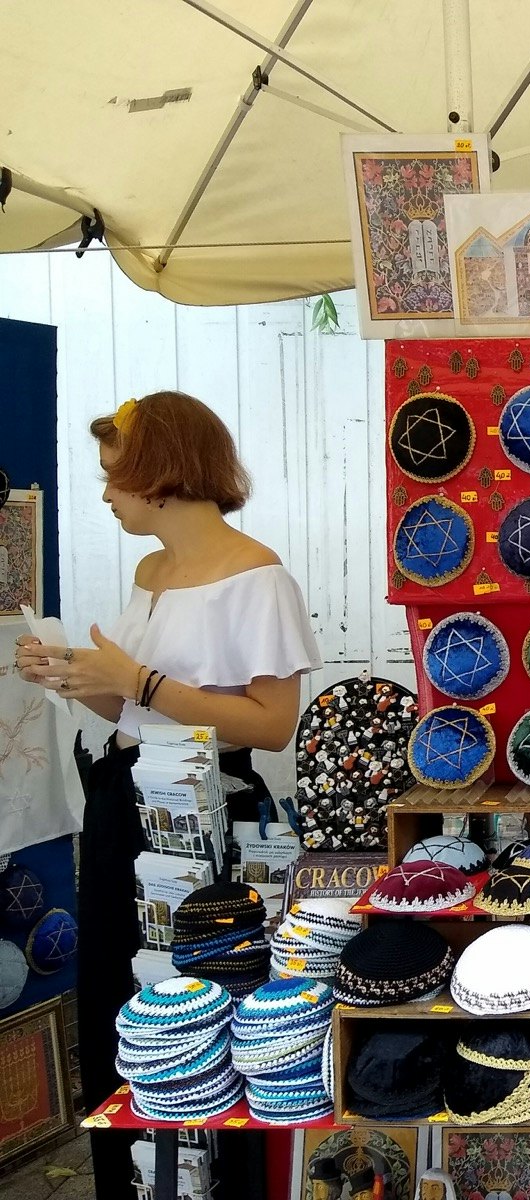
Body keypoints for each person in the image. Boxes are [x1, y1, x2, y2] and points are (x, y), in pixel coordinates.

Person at [15, 392, 320, 1200]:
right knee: (125, 993)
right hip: (127, 797)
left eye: (115, 478)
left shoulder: (258, 577)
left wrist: (138, 678)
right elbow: (137, 708)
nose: (107, 495)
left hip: (211, 810)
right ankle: (134, 1178)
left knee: (207, 995)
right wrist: (81, 680)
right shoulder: (150, 571)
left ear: (161, 476)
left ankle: (217, 1180)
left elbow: (270, 723)